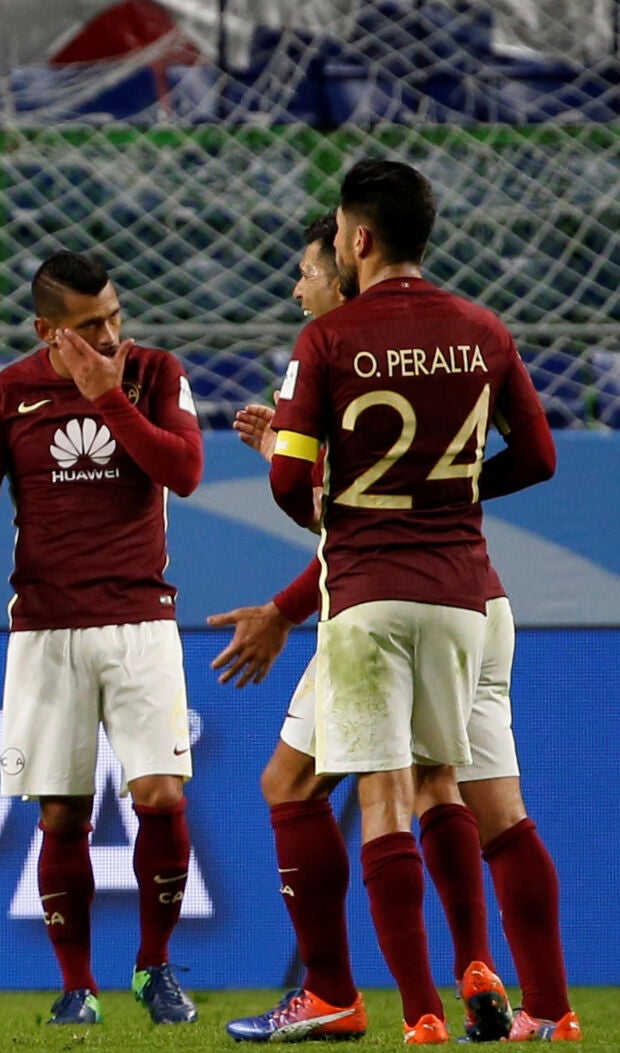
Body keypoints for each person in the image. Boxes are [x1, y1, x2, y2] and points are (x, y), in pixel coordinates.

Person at [213, 214, 578, 1044]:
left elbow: (338, 518)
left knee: (327, 787)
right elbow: (524, 458)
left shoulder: (332, 351)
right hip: (476, 597)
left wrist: (282, 471)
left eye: (310, 265)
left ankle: (372, 1000)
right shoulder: (465, 337)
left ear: (353, 254)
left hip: (374, 600)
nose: (300, 284)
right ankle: (541, 1001)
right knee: (473, 795)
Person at [0, 251, 204, 1027]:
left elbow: (184, 469)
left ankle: (155, 967)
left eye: (115, 316)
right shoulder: (3, 394)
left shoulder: (156, 373)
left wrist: (108, 399)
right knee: (60, 811)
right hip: (46, 624)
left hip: (140, 617)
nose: (112, 333)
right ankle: (77, 985)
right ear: (46, 329)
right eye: (91, 326)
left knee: (160, 791)